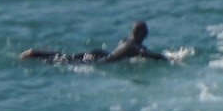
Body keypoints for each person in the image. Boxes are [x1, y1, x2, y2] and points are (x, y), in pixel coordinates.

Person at [21, 21, 168, 65]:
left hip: (100, 53)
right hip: (103, 60)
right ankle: (35, 53)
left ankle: (38, 53)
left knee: (68, 57)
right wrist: (169, 58)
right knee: (66, 61)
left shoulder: (127, 41)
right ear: (145, 35)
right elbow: (150, 54)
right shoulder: (134, 47)